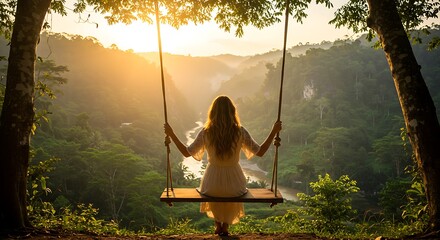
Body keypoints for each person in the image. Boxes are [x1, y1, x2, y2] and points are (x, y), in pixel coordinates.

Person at [164, 95, 282, 236]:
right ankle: (225, 225)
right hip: (235, 181)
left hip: (211, 181)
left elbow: (187, 152)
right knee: (232, 192)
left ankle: (217, 224)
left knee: (214, 191)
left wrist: (171, 134)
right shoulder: (240, 131)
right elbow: (260, 151)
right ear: (232, 112)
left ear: (212, 112)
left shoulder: (206, 132)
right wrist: (274, 132)